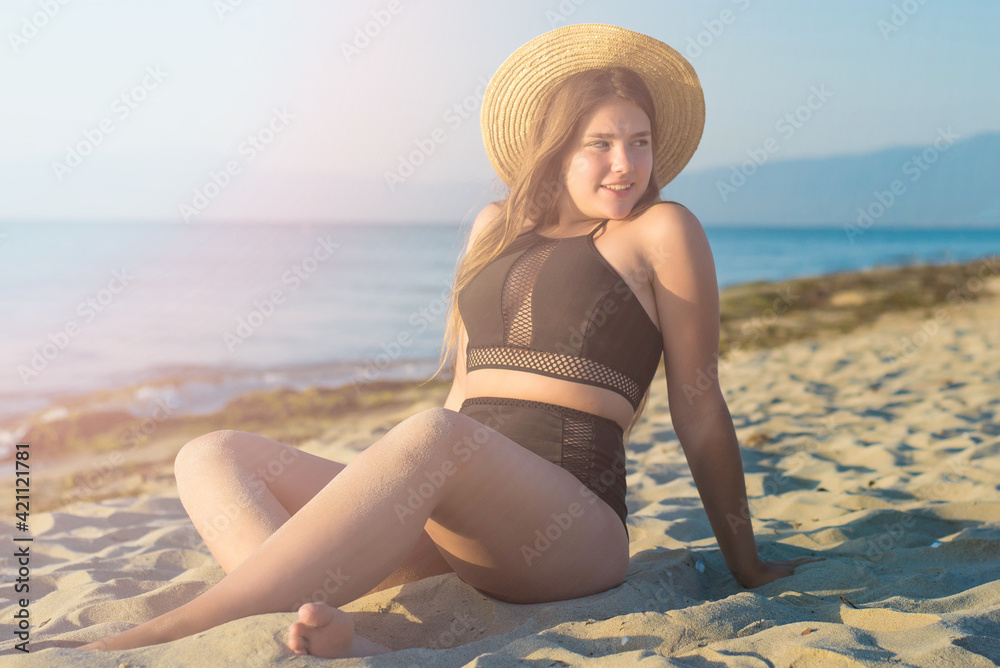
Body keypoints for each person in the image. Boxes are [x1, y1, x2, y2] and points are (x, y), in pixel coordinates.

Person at [80, 23, 820, 659]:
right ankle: (325, 630)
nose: (625, 164)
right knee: (210, 453)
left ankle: (185, 629)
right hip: (457, 514)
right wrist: (392, 501)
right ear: (556, 147)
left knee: (437, 435)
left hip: (570, 531)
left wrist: (745, 563)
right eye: (600, 143)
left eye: (639, 142)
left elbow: (698, 404)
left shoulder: (662, 230)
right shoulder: (494, 227)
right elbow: (464, 390)